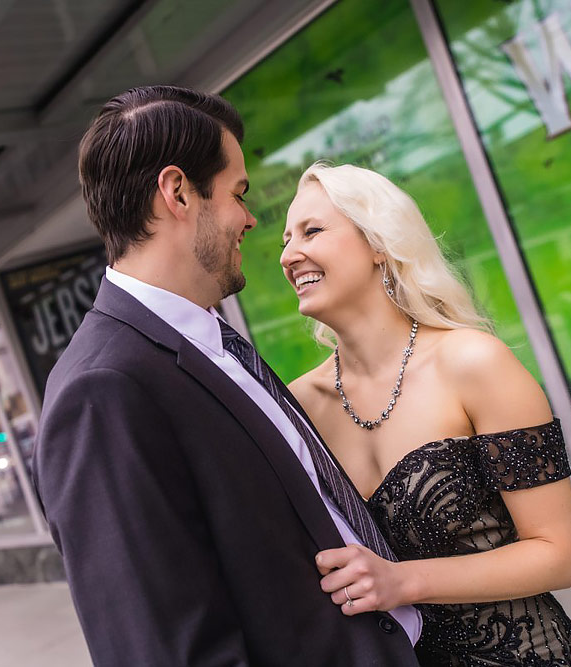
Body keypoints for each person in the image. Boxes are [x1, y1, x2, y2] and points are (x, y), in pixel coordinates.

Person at [31, 87, 422, 666]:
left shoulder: (208, 340)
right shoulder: (102, 390)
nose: (251, 218)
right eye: (238, 193)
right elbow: (161, 647)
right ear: (178, 192)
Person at [282, 162, 571, 666]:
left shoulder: (474, 363)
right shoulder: (300, 406)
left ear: (379, 244)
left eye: (312, 231)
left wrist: (402, 581)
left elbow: (558, 554)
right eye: (285, 239)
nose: (289, 254)